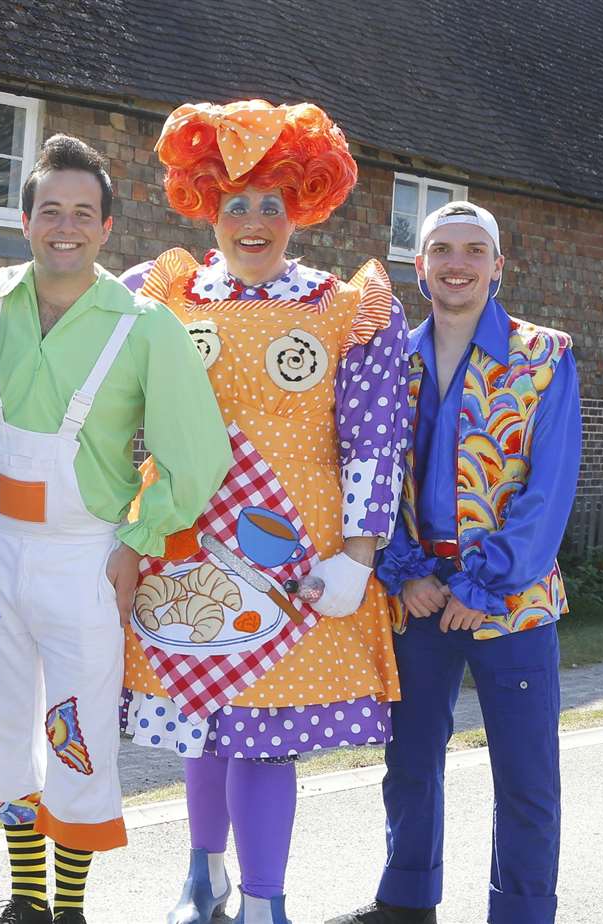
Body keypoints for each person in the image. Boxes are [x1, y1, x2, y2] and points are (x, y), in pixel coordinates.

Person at [115, 100, 411, 924]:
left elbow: (374, 439)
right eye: (235, 203)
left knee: (266, 736)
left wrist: (358, 553)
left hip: (299, 560)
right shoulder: (165, 295)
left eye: (271, 204)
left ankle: (265, 904)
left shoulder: (345, 306)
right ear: (205, 205)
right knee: (202, 723)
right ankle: (202, 878)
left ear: (300, 209)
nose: (253, 221)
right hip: (187, 545)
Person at [0, 135, 230, 924]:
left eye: (83, 212)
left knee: (76, 726)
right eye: (51, 211)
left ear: (108, 226)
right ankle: (25, 899)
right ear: (25, 220)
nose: (66, 227)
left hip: (86, 556)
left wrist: (138, 542)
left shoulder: (146, 327)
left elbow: (197, 456)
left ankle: (71, 908)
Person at [329, 202, 580, 924]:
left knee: (526, 772)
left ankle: (523, 912)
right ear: (421, 266)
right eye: (442, 249)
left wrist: (484, 582)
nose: (458, 263)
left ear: (498, 266)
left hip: (512, 598)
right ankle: (407, 901)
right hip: (417, 595)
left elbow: (549, 491)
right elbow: (368, 472)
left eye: (474, 250)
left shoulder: (544, 355)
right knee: (409, 762)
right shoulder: (389, 362)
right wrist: (404, 571)